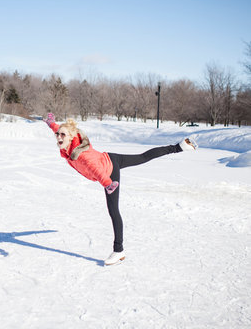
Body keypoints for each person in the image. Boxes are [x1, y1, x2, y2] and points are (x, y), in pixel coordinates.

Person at [43, 113, 197, 266]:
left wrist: (108, 184)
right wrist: (52, 124)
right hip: (110, 157)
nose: (58, 137)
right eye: (58, 135)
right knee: (142, 157)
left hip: (108, 172)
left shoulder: (82, 156)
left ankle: (119, 251)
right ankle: (180, 147)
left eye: (62, 135)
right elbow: (60, 129)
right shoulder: (69, 143)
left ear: (71, 137)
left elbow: (96, 169)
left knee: (113, 211)